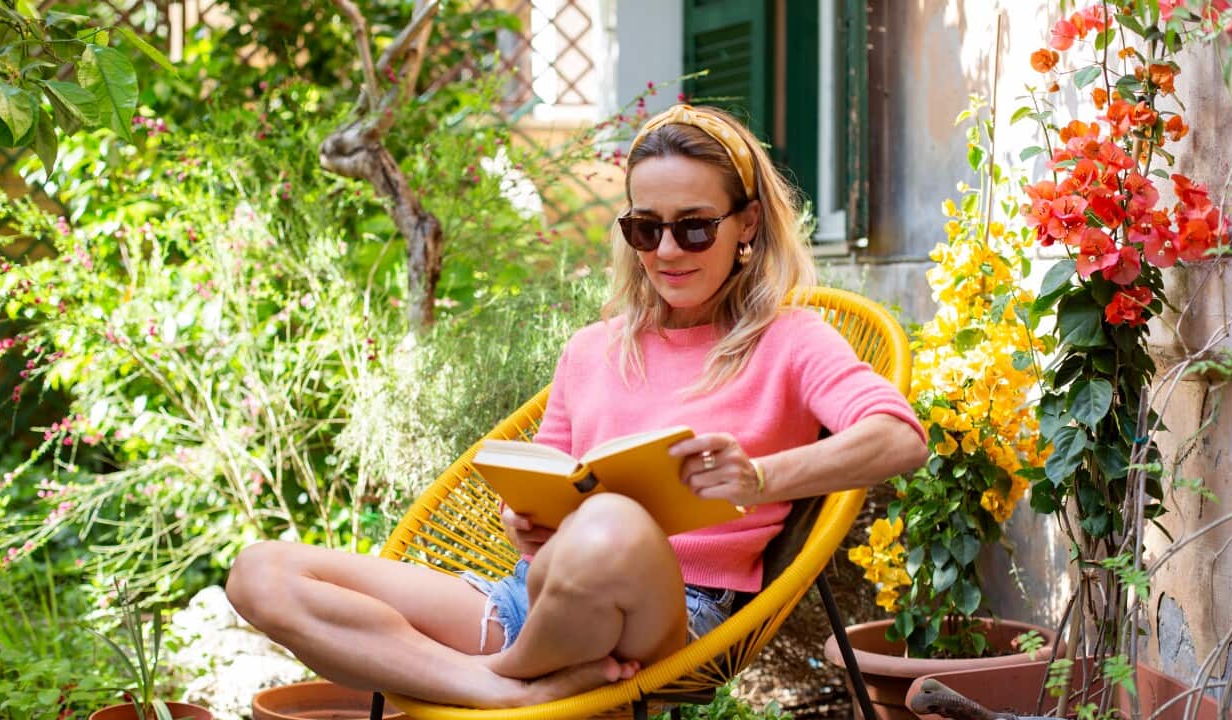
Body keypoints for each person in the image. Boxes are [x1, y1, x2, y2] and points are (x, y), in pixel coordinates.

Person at [225, 104, 928, 708]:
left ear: (746, 224)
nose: (667, 250)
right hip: (533, 602)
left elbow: (899, 439)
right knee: (261, 571)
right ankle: (504, 691)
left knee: (613, 522)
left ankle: (475, 679)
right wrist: (524, 520)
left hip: (668, 612)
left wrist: (762, 478)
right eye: (644, 229)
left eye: (693, 227)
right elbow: (552, 482)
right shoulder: (593, 349)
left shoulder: (791, 338)